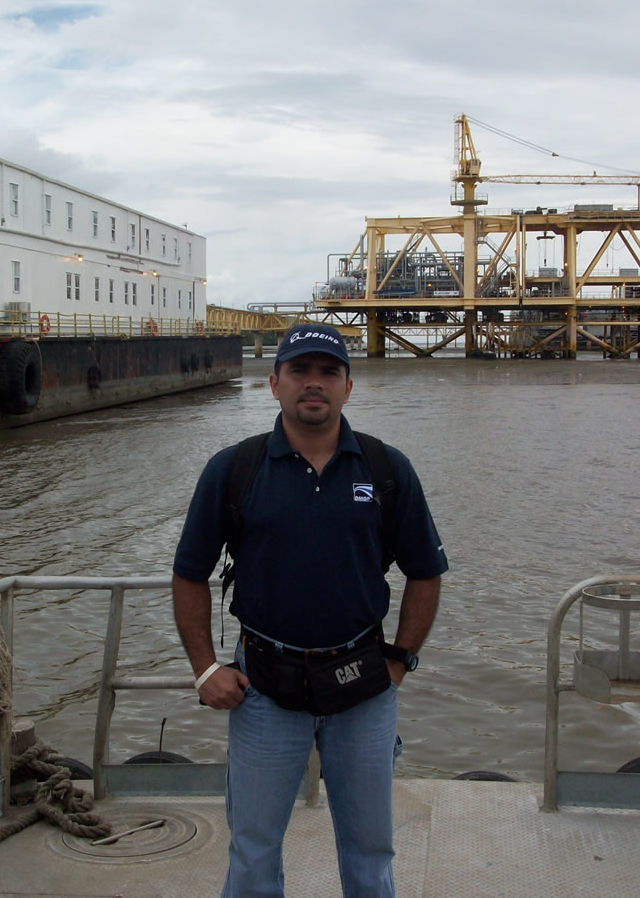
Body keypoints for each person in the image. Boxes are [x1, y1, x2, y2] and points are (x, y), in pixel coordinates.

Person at [172, 322, 447, 896]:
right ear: (274, 384)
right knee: (252, 851)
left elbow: (426, 571)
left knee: (372, 850)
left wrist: (399, 659)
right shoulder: (234, 469)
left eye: (328, 372)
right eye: (300, 371)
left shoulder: (386, 469)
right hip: (264, 688)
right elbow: (189, 574)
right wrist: (205, 668)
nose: (313, 384)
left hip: (364, 689)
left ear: (349, 386)